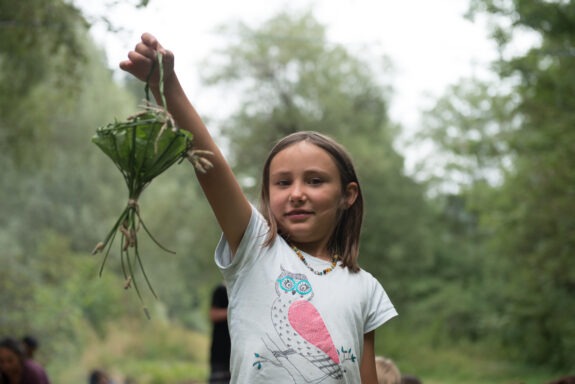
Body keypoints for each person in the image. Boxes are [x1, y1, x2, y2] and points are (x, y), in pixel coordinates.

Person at [120, 32, 397, 383]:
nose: (296, 193)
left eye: (314, 181)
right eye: (283, 183)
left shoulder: (366, 287)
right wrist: (168, 88)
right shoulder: (255, 250)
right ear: (267, 194)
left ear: (348, 195)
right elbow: (210, 165)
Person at [208, 283, 231, 384]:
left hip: (235, 351)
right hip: (220, 350)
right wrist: (233, 310)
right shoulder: (220, 291)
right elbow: (213, 314)